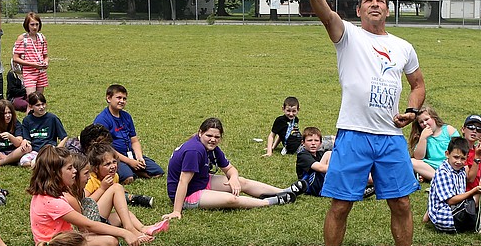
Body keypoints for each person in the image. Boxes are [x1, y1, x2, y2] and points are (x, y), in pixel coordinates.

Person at [300, 0, 426, 246]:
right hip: (353, 134)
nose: (375, 4)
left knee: (400, 203)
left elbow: (418, 84)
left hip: (390, 137)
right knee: (340, 204)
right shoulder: (348, 36)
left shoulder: (403, 47)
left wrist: (412, 111)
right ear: (358, 10)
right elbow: (326, 15)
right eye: (368, 1)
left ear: (388, 9)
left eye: (380, 1)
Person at [163, 118, 303, 220]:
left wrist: (234, 179)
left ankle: (285, 191)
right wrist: (176, 211)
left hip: (201, 181)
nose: (213, 139)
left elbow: (230, 169)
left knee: (242, 181)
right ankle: (270, 201)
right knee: (232, 200)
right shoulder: (194, 150)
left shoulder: (211, 148)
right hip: (187, 193)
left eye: (217, 137)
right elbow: (183, 181)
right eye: (209, 135)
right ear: (200, 133)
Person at [424, 137, 481, 237]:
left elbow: (471, 178)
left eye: (463, 158)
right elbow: (450, 200)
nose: (459, 161)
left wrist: (477, 156)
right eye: (456, 157)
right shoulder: (443, 172)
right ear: (447, 154)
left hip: (456, 212)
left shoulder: (461, 170)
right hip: (448, 218)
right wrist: (473, 192)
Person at [93, 83, 163, 181]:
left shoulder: (126, 116)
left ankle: (136, 169)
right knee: (128, 178)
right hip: (113, 157)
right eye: (118, 98)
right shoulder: (102, 119)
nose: (122, 101)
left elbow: (134, 140)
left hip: (130, 154)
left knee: (158, 172)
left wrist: (139, 157)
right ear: (109, 98)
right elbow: (106, 149)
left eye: (124, 99)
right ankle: (132, 170)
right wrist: (129, 162)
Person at [408, 106, 458, 182]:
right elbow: (418, 157)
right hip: (432, 165)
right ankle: (442, 179)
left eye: (427, 119)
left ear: (434, 118)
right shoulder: (422, 135)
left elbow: (460, 147)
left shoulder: (448, 130)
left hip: (449, 163)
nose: (425, 123)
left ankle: (433, 177)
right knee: (412, 161)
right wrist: (423, 138)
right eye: (421, 122)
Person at [19, 92, 67, 163]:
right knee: (23, 161)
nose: (41, 107)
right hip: (35, 151)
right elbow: (27, 139)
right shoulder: (27, 120)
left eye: (43, 104)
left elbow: (64, 137)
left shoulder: (52, 118)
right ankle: (39, 164)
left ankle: (40, 163)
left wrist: (57, 150)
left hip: (50, 151)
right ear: (31, 106)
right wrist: (25, 141)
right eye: (37, 105)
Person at [12, 11, 49, 96]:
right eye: (32, 25)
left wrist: (46, 62)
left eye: (37, 24)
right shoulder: (22, 38)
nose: (35, 27)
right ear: (27, 25)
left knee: (39, 100)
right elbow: (16, 58)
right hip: (29, 73)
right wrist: (33, 64)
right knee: (31, 100)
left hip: (41, 72)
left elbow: (45, 56)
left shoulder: (42, 38)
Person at [0, 98, 32, 167]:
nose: (8, 115)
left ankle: (0, 163)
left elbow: (18, 143)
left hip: (13, 151)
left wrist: (10, 136)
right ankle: (12, 160)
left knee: (28, 147)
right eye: (4, 113)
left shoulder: (15, 123)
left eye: (9, 113)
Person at [296, 126, 332, 197]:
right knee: (329, 154)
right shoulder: (302, 155)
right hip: (310, 185)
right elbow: (320, 168)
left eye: (316, 141)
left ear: (321, 143)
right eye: (309, 140)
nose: (313, 143)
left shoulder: (321, 154)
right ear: (303, 143)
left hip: (321, 181)